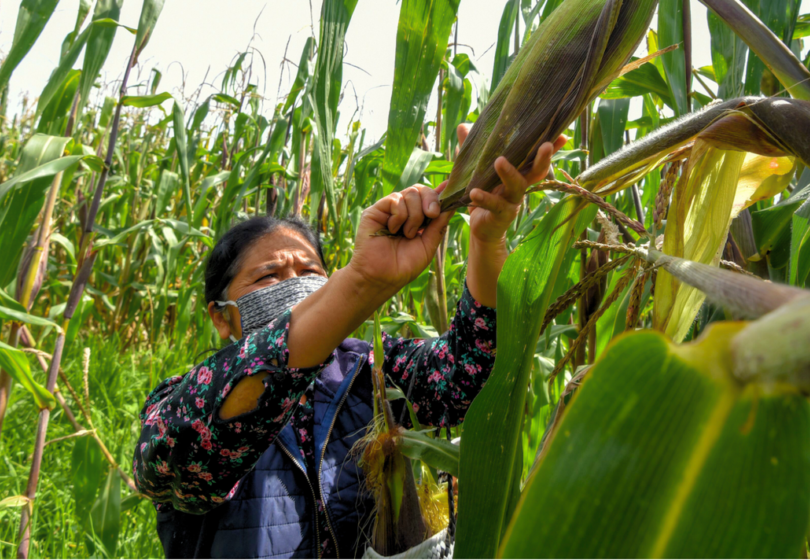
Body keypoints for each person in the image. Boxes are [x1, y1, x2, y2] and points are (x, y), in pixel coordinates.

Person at [133, 125, 566, 559]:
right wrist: (361, 284)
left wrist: (486, 238)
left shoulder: (372, 370)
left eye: (310, 273)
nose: (294, 284)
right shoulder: (185, 401)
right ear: (221, 317)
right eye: (268, 275)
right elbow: (176, 463)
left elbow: (469, 376)